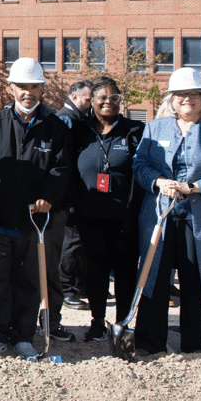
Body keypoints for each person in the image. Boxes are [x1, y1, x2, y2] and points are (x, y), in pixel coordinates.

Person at [132, 68, 201, 355]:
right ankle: (149, 341)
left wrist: (193, 187)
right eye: (181, 94)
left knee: (194, 280)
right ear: (171, 98)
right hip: (161, 216)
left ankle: (193, 342)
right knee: (153, 277)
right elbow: (140, 165)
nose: (187, 99)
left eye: (194, 93)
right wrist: (159, 181)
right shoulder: (155, 128)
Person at [0, 58, 70, 358]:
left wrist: (49, 197)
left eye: (34, 87)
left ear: (42, 88)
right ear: (10, 88)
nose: (28, 92)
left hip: (34, 222)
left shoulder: (54, 127)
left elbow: (61, 169)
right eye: (22, 87)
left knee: (29, 280)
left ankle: (24, 335)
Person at [69, 77, 144, 342]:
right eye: (102, 97)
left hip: (125, 218)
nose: (108, 102)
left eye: (114, 98)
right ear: (92, 101)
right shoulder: (80, 132)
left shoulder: (135, 131)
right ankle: (97, 322)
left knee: (125, 272)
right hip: (90, 216)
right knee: (95, 271)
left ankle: (122, 324)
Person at [56, 80, 94, 314]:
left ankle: (78, 286)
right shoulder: (66, 119)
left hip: (79, 192)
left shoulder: (81, 119)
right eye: (88, 99)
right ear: (74, 96)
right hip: (69, 193)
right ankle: (67, 289)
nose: (91, 104)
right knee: (71, 242)